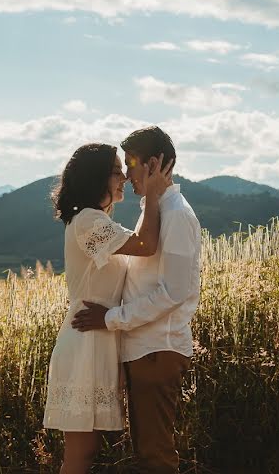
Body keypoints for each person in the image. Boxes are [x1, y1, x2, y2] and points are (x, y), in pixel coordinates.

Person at [72, 126, 201, 474]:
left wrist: (111, 318)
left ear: (155, 164)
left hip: (157, 349)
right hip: (144, 348)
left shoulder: (177, 215)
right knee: (148, 453)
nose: (127, 177)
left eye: (131, 165)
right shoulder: (156, 210)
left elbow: (174, 292)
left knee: (156, 456)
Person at [44, 142, 173, 474]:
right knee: (80, 453)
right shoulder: (88, 220)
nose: (124, 179)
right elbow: (146, 244)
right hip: (86, 339)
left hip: (99, 337)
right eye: (117, 171)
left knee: (88, 451)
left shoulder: (98, 220)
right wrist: (155, 195)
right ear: (97, 177)